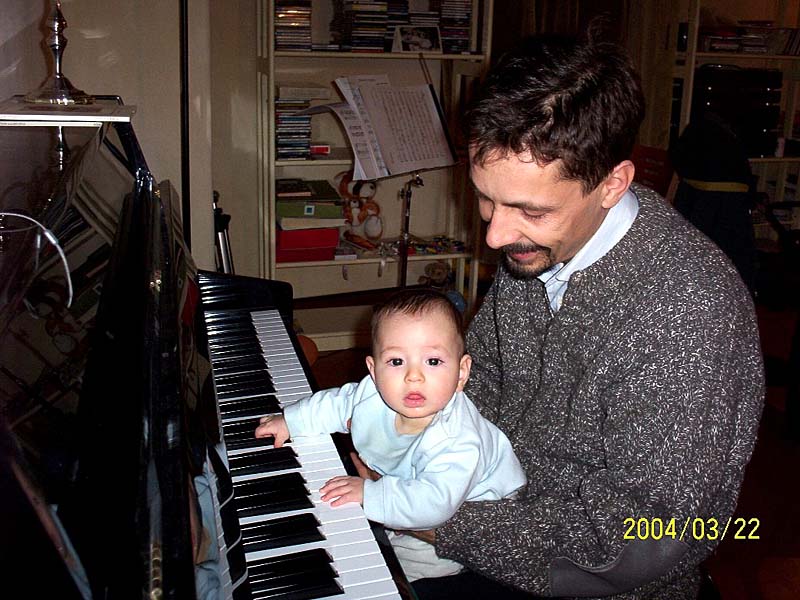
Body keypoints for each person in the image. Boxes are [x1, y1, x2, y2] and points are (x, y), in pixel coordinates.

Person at [405, 32, 765, 600]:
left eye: (530, 210)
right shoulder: (540, 244)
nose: (495, 234)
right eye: (486, 197)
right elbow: (482, 379)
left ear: (612, 184)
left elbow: (645, 534)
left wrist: (441, 523)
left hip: (591, 582)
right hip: (488, 512)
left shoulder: (689, 312)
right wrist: (404, 442)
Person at [254, 289, 527, 582]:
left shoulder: (458, 440)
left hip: (470, 507)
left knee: (399, 563)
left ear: (461, 373)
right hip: (410, 483)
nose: (413, 376)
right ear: (373, 370)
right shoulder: (373, 394)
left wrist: (370, 494)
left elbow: (433, 504)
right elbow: (338, 403)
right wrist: (292, 421)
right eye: (396, 361)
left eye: (433, 361)